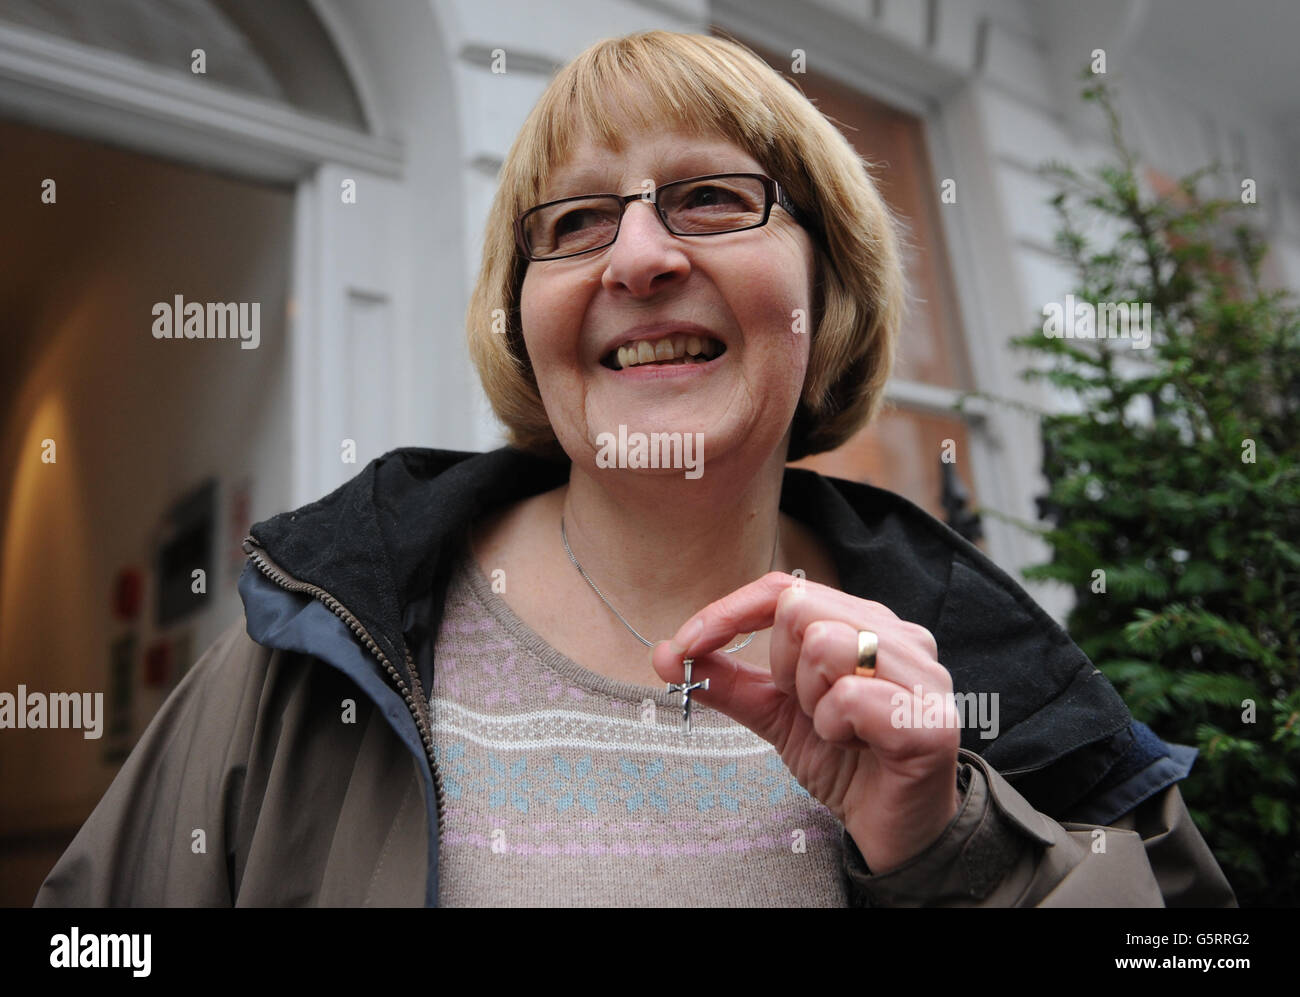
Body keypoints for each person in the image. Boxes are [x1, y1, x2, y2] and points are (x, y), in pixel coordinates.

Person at [36, 30, 1234, 907]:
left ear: (829, 285)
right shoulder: (317, 630)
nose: (642, 257)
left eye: (712, 198)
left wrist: (954, 850)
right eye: (573, 223)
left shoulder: (979, 656)